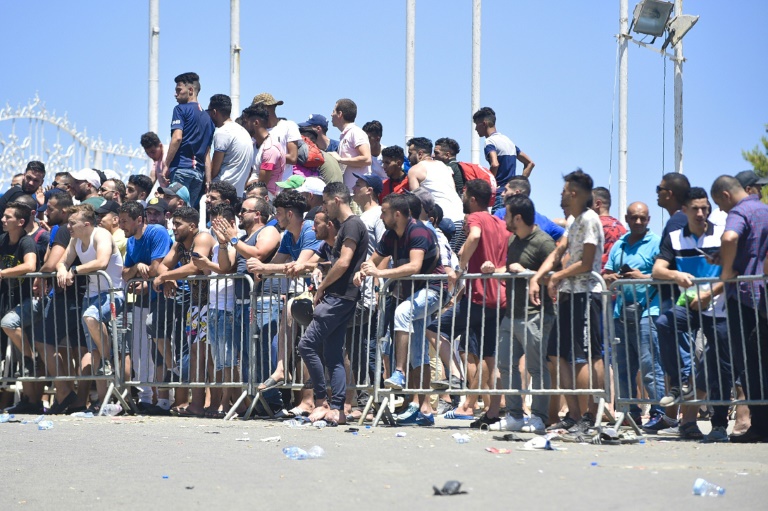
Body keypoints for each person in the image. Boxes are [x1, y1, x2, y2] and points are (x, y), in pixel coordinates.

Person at [357, 194, 446, 426]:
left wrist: (380, 274)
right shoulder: (389, 235)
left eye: (384, 212)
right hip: (412, 294)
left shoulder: (419, 231)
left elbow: (415, 266)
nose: (381, 216)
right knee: (419, 352)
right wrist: (363, 270)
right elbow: (373, 261)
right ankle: (423, 409)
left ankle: (399, 372)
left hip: (433, 290)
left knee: (402, 312)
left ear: (397, 214)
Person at [530, 169, 605, 437]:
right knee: (556, 354)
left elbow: (586, 263)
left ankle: (591, 415)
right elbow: (559, 250)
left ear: (573, 192)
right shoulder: (574, 221)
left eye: (563, 190)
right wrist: (538, 277)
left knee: (585, 356)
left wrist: (556, 277)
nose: (560, 195)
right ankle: (573, 414)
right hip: (568, 296)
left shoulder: (590, 220)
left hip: (586, 295)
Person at [652, 187, 728, 441]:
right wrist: (676, 274)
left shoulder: (721, 235)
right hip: (691, 304)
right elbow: (658, 269)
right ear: (684, 211)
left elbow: (732, 271)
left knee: (719, 364)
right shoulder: (674, 237)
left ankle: (719, 424)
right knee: (665, 322)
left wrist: (711, 291)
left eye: (705, 208)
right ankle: (678, 383)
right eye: (695, 208)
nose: (701, 213)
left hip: (718, 306)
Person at [480, 194, 556, 433]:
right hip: (511, 313)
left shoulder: (543, 242)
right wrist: (493, 269)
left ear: (519, 218)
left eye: (508, 214)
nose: (504, 219)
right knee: (505, 365)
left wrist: (526, 271)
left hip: (537, 314)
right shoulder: (514, 240)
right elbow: (510, 269)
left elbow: (556, 277)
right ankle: (514, 415)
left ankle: (539, 417)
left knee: (536, 368)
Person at [438, 180, 510, 428]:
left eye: (463, 193)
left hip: (478, 297)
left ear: (470, 197)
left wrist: (460, 264)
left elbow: (475, 236)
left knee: (437, 330)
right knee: (490, 356)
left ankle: (464, 393)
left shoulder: (475, 218)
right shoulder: (501, 223)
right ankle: (491, 410)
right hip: (498, 297)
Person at [296, 182, 368, 425]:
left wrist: (322, 287)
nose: (324, 207)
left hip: (339, 297)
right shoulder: (350, 225)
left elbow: (344, 261)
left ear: (336, 200)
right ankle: (337, 408)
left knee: (307, 345)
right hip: (339, 297)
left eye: (326, 202)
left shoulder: (352, 224)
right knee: (333, 353)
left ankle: (320, 401)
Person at [602, 202, 673, 432]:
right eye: (634, 218)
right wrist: (611, 277)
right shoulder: (620, 244)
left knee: (650, 365)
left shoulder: (656, 242)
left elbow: (664, 274)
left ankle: (659, 413)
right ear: (627, 218)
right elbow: (606, 272)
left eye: (643, 218)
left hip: (649, 311)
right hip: (621, 312)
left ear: (649, 219)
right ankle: (629, 413)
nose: (639, 222)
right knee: (623, 367)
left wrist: (642, 277)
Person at [711, 174, 768, 442]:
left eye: (720, 206)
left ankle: (759, 427)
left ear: (725, 195)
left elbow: (731, 237)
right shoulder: (764, 210)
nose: (722, 211)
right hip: (763, 295)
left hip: (745, 298)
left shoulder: (739, 211)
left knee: (751, 365)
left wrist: (725, 271)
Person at [212, 197, 282, 414]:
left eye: (243, 210)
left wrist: (233, 240)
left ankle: (273, 403)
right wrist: (224, 243)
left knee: (259, 353)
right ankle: (258, 403)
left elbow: (260, 254)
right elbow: (225, 266)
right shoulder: (241, 238)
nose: (239, 214)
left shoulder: (267, 231)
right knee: (247, 354)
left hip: (263, 301)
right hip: (243, 303)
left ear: (258, 214)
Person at [55, 204, 125, 409]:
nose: (68, 226)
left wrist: (74, 270)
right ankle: (104, 404)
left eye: (72, 223)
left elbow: (102, 262)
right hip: (91, 295)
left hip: (113, 293)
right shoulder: (76, 239)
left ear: (86, 224)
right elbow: (62, 261)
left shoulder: (101, 235)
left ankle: (107, 358)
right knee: (93, 350)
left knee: (90, 317)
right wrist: (61, 270)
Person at [119, 200, 172, 414]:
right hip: (141, 303)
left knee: (160, 351)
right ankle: (145, 398)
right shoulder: (131, 241)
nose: (120, 225)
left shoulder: (157, 232)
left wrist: (144, 273)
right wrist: (137, 268)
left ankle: (165, 399)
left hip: (163, 299)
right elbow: (125, 274)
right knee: (141, 351)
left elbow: (157, 267)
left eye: (124, 221)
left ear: (138, 220)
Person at [0, 202, 40, 411]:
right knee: (15, 356)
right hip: (7, 300)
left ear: (21, 222)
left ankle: (33, 401)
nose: (3, 220)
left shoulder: (26, 242)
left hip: (27, 302)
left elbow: (30, 266)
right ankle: (27, 402)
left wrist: (2, 273)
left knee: (26, 358)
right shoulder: (3, 240)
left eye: (8, 217)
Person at [163, 72, 215, 209]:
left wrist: (166, 165)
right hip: (198, 175)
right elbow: (207, 154)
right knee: (188, 214)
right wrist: (208, 181)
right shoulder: (208, 119)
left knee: (175, 211)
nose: (175, 94)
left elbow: (177, 138)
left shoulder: (180, 109)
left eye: (179, 90)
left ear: (190, 90)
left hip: (181, 169)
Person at [406, 137, 464, 248]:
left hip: (444, 222)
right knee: (456, 262)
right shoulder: (444, 166)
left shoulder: (415, 170)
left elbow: (416, 202)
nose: (408, 157)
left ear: (420, 153)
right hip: (461, 220)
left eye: (410, 153)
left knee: (443, 262)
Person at [473, 106, 535, 211]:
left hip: (499, 195)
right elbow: (530, 163)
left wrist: (489, 185)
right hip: (511, 195)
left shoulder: (490, 142)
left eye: (476, 125)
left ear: (484, 124)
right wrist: (518, 184)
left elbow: (495, 164)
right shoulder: (508, 141)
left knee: (497, 225)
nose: (475, 129)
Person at [207, 94, 254, 196]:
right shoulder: (243, 131)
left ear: (214, 112)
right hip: (238, 194)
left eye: (208, 112)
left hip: (220, 193)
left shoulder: (223, 132)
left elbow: (214, 170)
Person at [493, 176, 565, 241]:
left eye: (506, 190)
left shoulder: (501, 214)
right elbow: (567, 237)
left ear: (517, 193)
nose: (502, 194)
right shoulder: (545, 221)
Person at [250, 92, 300, 180]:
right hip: (257, 184)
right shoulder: (255, 130)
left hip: (282, 185)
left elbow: (293, 158)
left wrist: (269, 156)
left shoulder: (288, 126)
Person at [241, 103, 286, 197]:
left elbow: (261, 183)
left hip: (266, 198)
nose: (243, 127)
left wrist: (243, 185)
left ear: (256, 123)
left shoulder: (270, 148)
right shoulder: (253, 145)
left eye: (246, 122)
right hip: (250, 194)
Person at [329, 98, 372, 190]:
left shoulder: (355, 132)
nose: (331, 114)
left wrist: (340, 159)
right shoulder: (346, 135)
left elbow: (367, 159)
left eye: (333, 111)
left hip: (357, 194)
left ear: (340, 114)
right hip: (350, 193)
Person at [0, 161, 46, 232]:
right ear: (24, 176)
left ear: (41, 182)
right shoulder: (18, 194)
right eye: (29, 178)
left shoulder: (26, 196)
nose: (31, 183)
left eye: (36, 180)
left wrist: (41, 207)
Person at [592, 187, 627, 270]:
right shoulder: (621, 227)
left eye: (588, 203)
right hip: (616, 278)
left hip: (597, 277)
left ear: (597, 204)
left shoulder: (594, 225)